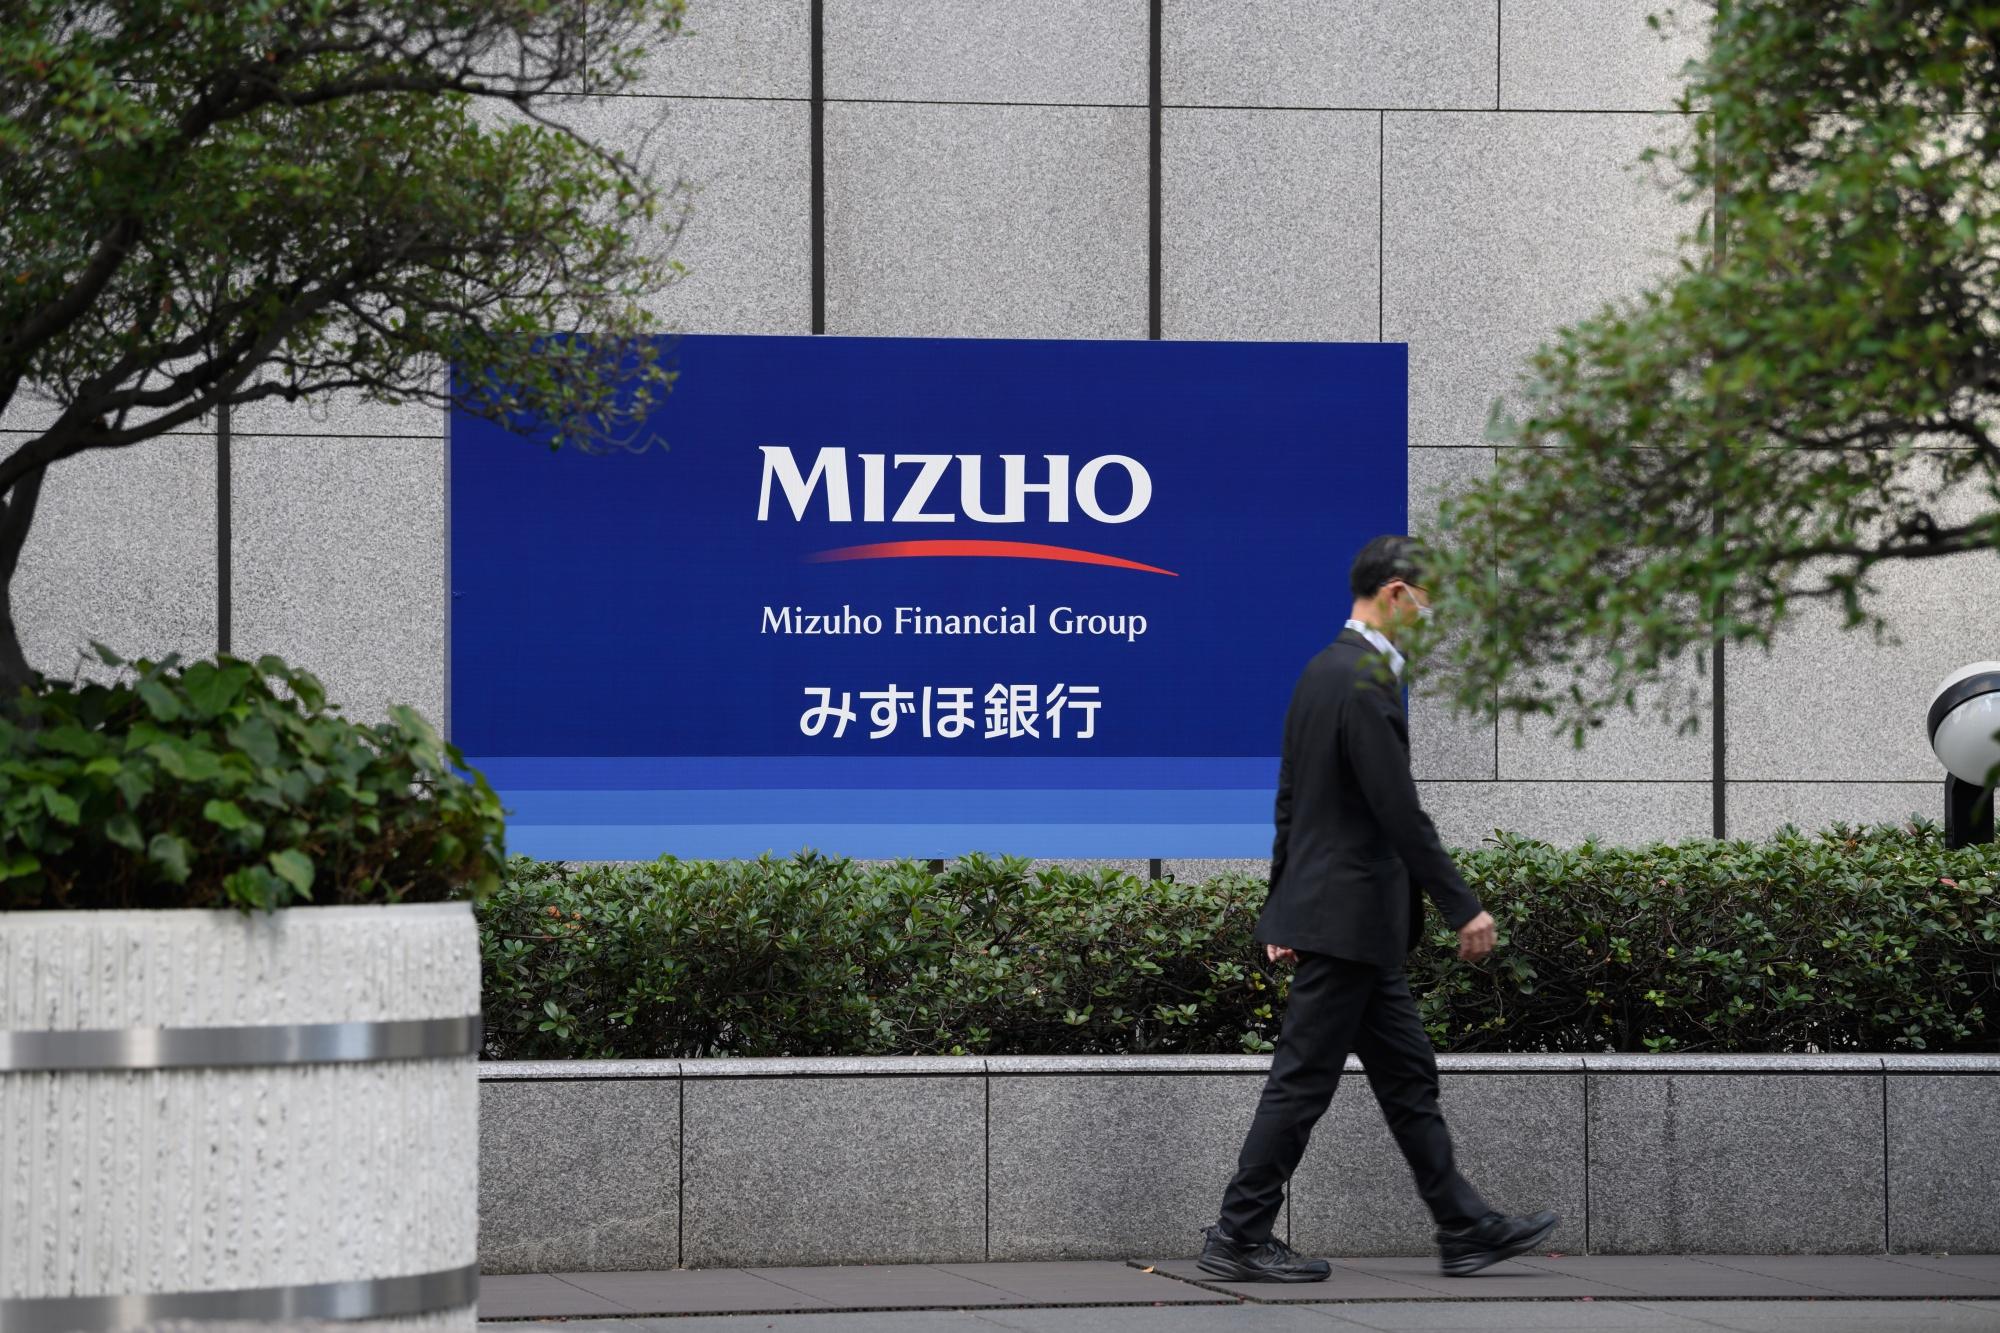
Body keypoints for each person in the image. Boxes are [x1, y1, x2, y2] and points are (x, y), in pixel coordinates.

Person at [1199, 534, 1558, 1283]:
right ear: (1397, 593)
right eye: (1429, 604)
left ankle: (1464, 1227)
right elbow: (1400, 812)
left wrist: (1279, 911)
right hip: (1349, 919)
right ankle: (1238, 1233)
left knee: (1407, 1072)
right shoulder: (1363, 681)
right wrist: (1464, 906)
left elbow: (1292, 803)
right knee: (1302, 1081)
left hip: (1344, 920)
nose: (1431, 619)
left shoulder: (1319, 671)